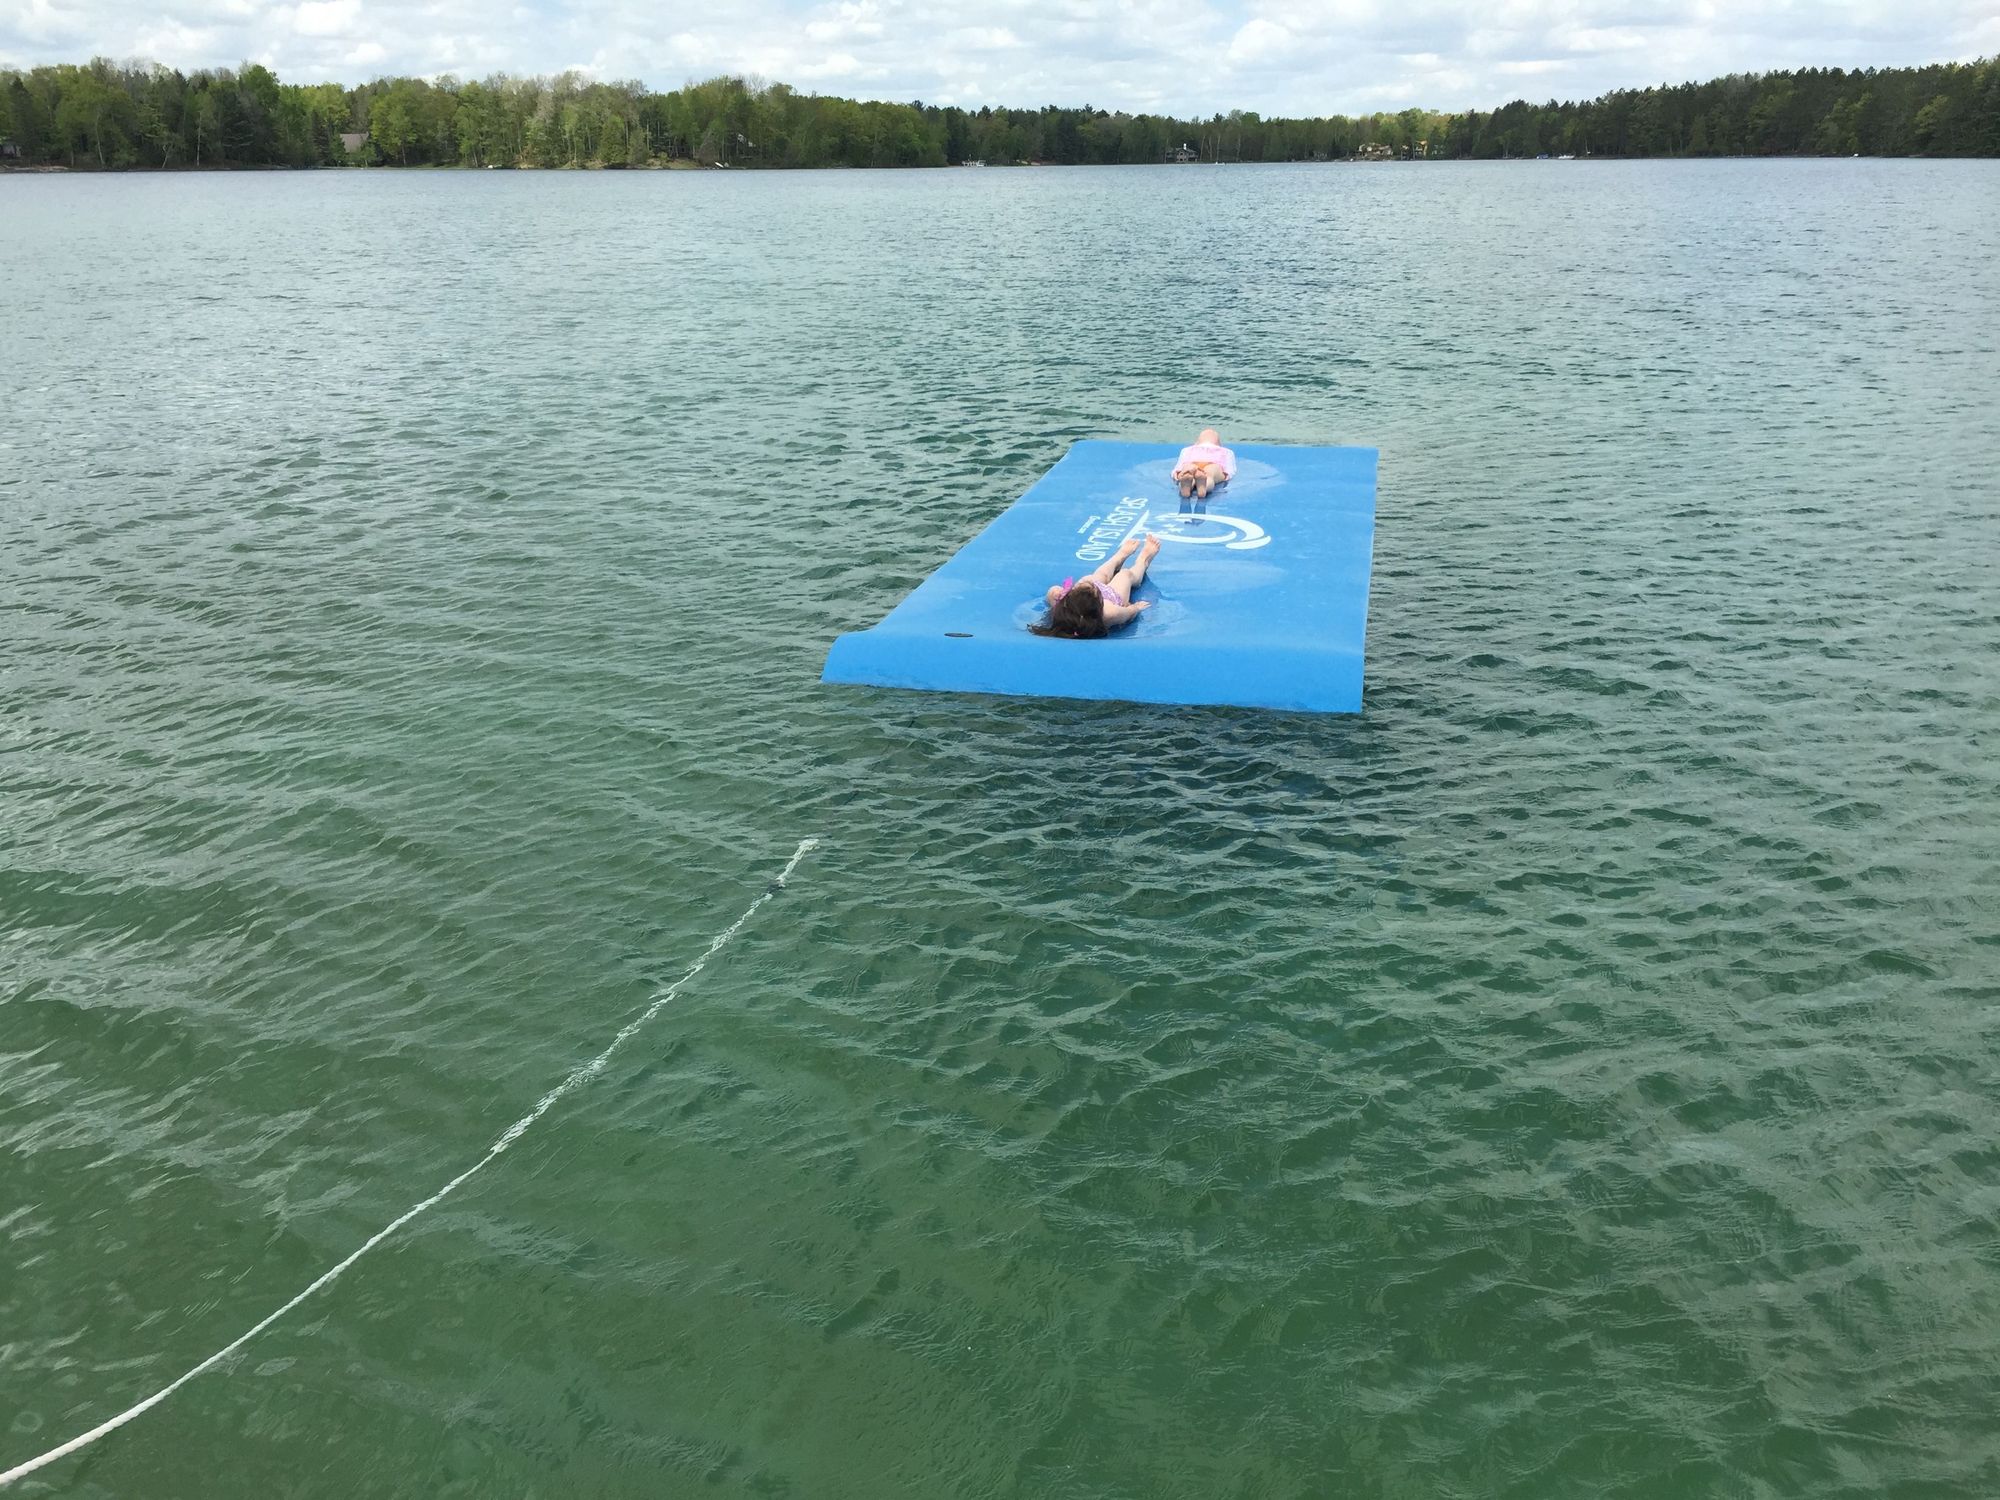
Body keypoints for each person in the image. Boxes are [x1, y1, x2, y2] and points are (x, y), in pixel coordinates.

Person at [1033, 533, 1161, 638]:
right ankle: (1143, 560)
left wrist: (1054, 592)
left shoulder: (1062, 605)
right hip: (1111, 598)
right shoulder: (1109, 613)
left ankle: (1119, 557)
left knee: (1092, 578)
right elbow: (1128, 613)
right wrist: (1136, 607)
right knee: (1124, 575)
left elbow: (1052, 591)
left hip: (1085, 601)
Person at [1173, 428, 1237, 499]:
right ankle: (1204, 486)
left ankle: (1186, 484)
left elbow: (1180, 464)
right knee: (1209, 475)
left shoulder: (1187, 449)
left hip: (1192, 463)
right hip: (1214, 464)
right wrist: (1227, 475)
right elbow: (1230, 468)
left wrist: (1177, 474)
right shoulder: (1226, 451)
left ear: (1196, 443)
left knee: (1187, 472)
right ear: (1219, 444)